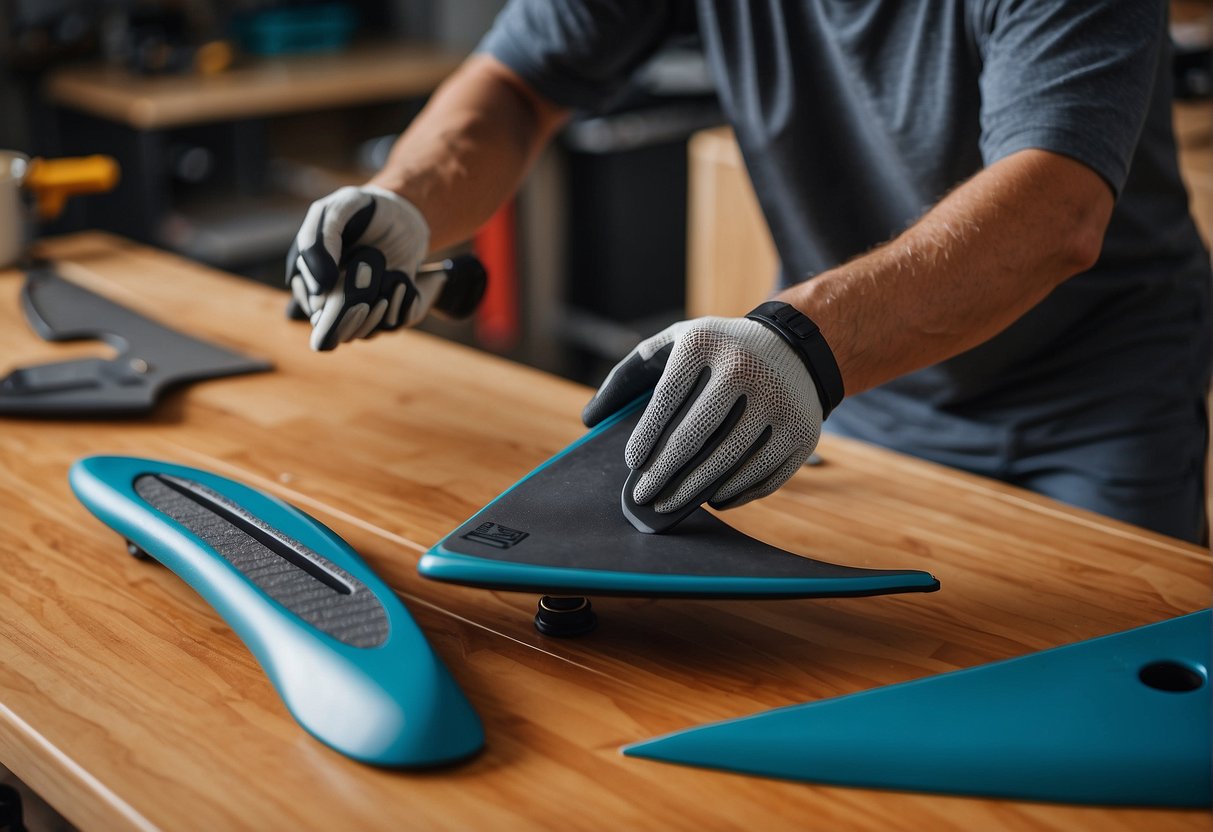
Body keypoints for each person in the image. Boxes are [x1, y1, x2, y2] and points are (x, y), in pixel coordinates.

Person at [286, 0, 1212, 544]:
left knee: (1101, 729)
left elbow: (1056, 207)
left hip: (1092, 400)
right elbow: (518, 82)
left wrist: (804, 344)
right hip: (859, 390)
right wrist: (406, 202)